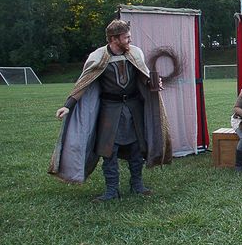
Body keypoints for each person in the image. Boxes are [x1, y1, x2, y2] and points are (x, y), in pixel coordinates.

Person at [49, 20, 172, 201]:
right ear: (114, 39)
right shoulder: (98, 57)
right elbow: (84, 83)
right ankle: (111, 190)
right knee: (108, 151)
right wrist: (67, 106)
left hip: (133, 108)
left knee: (138, 148)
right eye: (126, 37)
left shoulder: (135, 53)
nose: (130, 40)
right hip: (109, 110)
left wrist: (152, 83)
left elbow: (143, 77)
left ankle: (137, 184)